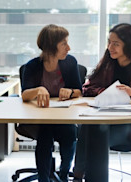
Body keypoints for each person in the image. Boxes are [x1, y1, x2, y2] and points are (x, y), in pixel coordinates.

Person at [73, 23, 131, 181]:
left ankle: (78, 174)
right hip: (105, 122)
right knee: (91, 127)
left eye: (116, 44)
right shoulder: (108, 65)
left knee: (95, 134)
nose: (110, 47)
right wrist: (107, 93)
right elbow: (87, 87)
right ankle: (80, 176)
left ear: (129, 45)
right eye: (109, 42)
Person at [21, 24, 82, 182]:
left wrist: (70, 91)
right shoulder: (33, 66)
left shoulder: (70, 63)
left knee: (70, 135)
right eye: (64, 44)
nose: (68, 48)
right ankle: (43, 179)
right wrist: (38, 89)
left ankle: (63, 174)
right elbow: (25, 95)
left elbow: (79, 91)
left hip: (63, 116)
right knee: (44, 137)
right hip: (40, 117)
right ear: (50, 46)